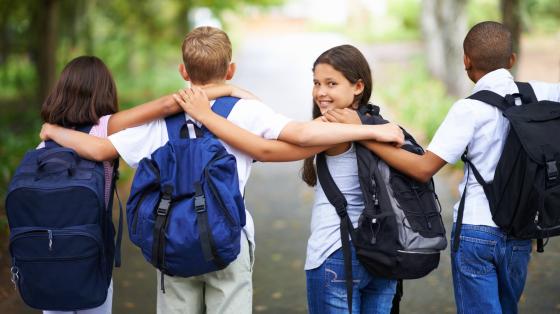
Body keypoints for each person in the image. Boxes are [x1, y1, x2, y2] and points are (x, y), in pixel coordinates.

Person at [40, 27, 404, 314]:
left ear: (183, 71)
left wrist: (55, 131)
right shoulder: (246, 111)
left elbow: (100, 146)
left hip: (170, 238)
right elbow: (301, 133)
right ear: (230, 69)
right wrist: (371, 129)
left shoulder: (159, 120)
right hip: (229, 236)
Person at [323, 21, 560, 314]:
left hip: (476, 230)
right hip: (524, 227)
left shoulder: (468, 109)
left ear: (466, 61)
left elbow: (423, 168)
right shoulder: (543, 93)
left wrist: (364, 133)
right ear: (511, 59)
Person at [173, 44, 398, 314]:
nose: (320, 92)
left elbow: (264, 147)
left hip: (336, 253)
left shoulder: (334, 129)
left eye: (331, 83)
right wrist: (231, 91)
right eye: (316, 83)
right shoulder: (376, 123)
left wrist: (206, 115)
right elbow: (271, 121)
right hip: (384, 253)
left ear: (358, 86)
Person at [37, 55, 181, 314]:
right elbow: (169, 104)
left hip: (49, 249)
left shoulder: (45, 140)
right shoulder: (106, 126)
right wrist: (227, 89)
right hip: (91, 248)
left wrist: (51, 129)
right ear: (104, 91)